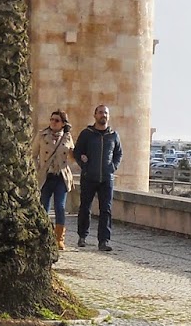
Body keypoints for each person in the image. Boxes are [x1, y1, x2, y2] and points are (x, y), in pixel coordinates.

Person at [74, 103, 123, 251]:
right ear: (95, 115)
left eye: (106, 113)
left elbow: (118, 154)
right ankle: (82, 236)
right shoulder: (86, 133)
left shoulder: (113, 135)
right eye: (101, 112)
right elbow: (77, 152)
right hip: (89, 176)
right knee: (85, 207)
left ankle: (104, 241)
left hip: (107, 178)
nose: (103, 115)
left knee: (106, 210)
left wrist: (113, 167)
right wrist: (84, 165)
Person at [32, 108, 75, 252]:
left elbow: (72, 155)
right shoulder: (42, 135)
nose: (53, 123)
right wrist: (38, 168)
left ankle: (59, 239)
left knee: (60, 207)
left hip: (61, 176)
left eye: (56, 120)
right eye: (51, 119)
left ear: (63, 123)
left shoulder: (67, 137)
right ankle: (42, 236)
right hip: (46, 175)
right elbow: (32, 154)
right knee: (43, 206)